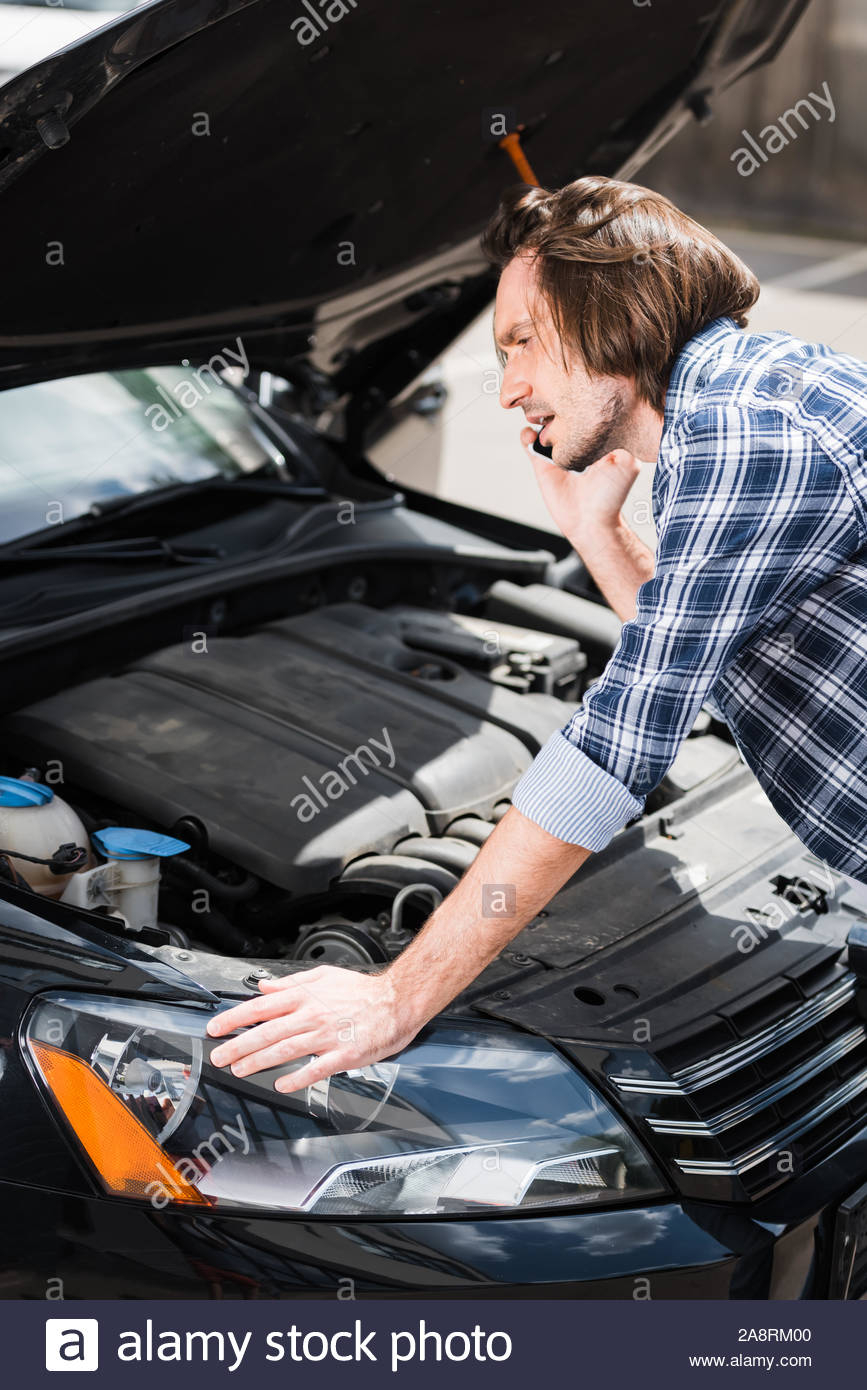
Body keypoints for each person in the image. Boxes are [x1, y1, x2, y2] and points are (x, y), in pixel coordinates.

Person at [207, 175, 867, 1093]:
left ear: (616, 309)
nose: (508, 385)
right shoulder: (751, 398)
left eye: (520, 340)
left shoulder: (750, 437)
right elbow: (703, 662)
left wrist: (398, 996)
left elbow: (617, 746)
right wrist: (598, 532)